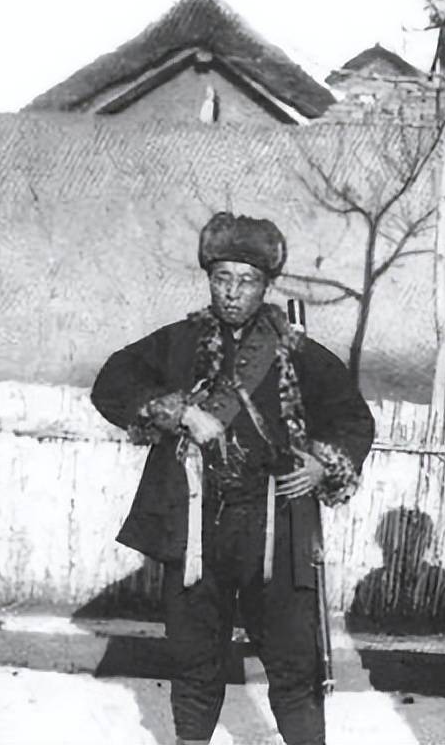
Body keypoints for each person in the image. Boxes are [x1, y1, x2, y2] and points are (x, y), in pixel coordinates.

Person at [91, 212, 375, 745]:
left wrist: (323, 463)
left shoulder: (297, 352)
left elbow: (353, 420)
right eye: (222, 278)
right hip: (197, 524)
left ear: (266, 286)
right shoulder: (179, 343)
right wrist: (179, 412)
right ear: (209, 279)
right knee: (194, 658)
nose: (232, 292)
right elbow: (111, 383)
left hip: (276, 523)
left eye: (247, 280)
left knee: (294, 662)